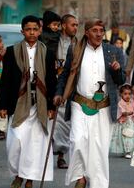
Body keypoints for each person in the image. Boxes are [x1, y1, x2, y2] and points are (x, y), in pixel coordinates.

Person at [54, 18, 125, 188]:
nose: (99, 34)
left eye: (101, 30)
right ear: (86, 32)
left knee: (99, 149)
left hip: (103, 107)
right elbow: (65, 75)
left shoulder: (114, 51)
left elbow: (121, 81)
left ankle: (96, 183)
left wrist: (117, 71)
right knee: (78, 141)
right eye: (95, 30)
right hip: (79, 103)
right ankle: (80, 177)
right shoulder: (76, 50)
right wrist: (58, 93)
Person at [0, 15, 57, 188]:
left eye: (35, 29)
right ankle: (17, 174)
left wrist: (52, 106)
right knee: (15, 143)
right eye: (28, 29)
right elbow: (6, 80)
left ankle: (29, 179)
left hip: (40, 104)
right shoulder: (11, 51)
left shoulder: (48, 53)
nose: (31, 32)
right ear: (22, 31)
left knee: (35, 145)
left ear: (39, 31)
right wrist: (2, 105)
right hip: (18, 103)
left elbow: (51, 80)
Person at [52, 14, 78, 169]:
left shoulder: (77, 44)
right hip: (52, 84)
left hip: (68, 87)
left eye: (77, 25)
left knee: (66, 122)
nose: (75, 28)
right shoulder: (53, 42)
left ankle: (61, 155)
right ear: (63, 26)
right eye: (72, 25)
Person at [110, 84, 134, 159]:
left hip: (130, 122)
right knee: (125, 136)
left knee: (131, 136)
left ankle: (128, 150)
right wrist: (128, 113)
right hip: (124, 123)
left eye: (129, 94)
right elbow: (122, 112)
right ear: (121, 94)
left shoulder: (131, 101)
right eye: (125, 94)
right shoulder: (120, 103)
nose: (127, 96)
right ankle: (127, 151)